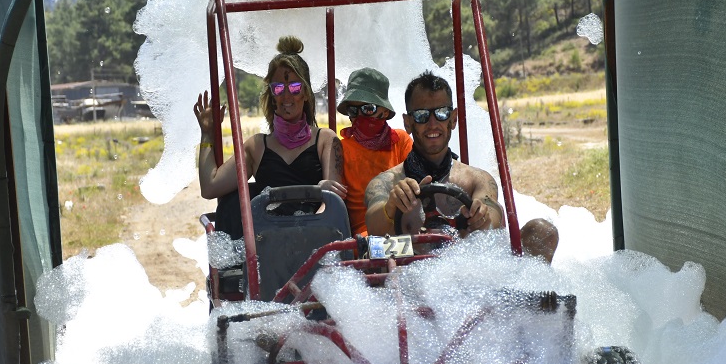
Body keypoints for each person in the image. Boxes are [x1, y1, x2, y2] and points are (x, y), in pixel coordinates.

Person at [364, 71, 558, 262]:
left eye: (441, 113)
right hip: (410, 276)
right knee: (372, 250)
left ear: (453, 119)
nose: (432, 124)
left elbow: (493, 214)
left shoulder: (477, 179)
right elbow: (374, 228)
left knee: (543, 232)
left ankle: (535, 289)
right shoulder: (387, 183)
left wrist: (483, 217)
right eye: (422, 115)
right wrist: (391, 205)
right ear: (408, 123)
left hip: (469, 273)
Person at [194, 35, 345, 238]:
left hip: (313, 235)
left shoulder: (326, 140)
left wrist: (307, 231)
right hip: (269, 241)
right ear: (272, 95)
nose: (286, 96)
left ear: (306, 93)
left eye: (294, 87)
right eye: (278, 88)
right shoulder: (256, 146)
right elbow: (210, 187)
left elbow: (332, 202)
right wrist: (207, 134)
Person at [336, 68, 412, 236]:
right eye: (353, 111)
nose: (360, 116)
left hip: (404, 229)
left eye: (368, 109)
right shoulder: (341, 149)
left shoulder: (401, 140)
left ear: (384, 112)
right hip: (364, 237)